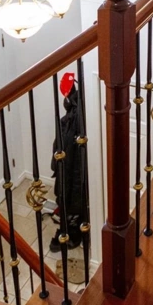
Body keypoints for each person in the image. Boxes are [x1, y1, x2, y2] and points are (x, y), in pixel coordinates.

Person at [50, 71, 85, 251]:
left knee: (72, 195)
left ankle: (72, 230)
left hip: (73, 170)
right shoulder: (74, 113)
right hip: (70, 167)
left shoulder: (75, 116)